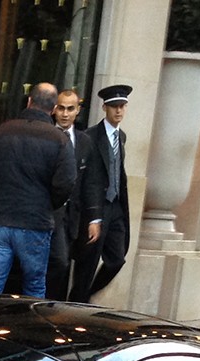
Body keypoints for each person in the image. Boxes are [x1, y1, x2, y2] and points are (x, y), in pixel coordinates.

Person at [0, 82, 76, 298]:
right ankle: (30, 330)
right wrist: (48, 205)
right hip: (35, 221)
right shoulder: (59, 139)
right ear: (55, 108)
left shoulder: (1, 132)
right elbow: (66, 183)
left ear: (29, 101)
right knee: (34, 287)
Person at [69, 83, 131, 301]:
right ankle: (78, 301)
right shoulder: (90, 136)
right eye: (114, 106)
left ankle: (88, 295)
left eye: (122, 106)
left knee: (117, 258)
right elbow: (88, 180)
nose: (119, 111)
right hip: (96, 207)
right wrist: (92, 216)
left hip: (116, 207)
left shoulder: (121, 137)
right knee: (87, 262)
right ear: (105, 108)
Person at [47, 88, 100, 301]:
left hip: (72, 215)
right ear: (54, 109)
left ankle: (54, 309)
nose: (65, 114)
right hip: (47, 212)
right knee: (55, 262)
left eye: (70, 109)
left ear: (78, 110)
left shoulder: (85, 141)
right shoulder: (46, 135)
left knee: (64, 264)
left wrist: (94, 218)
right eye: (61, 108)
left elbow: (90, 182)